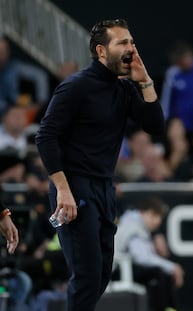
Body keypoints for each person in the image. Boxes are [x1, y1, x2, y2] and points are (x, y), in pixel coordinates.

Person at [35, 19, 165, 311]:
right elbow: (45, 136)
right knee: (87, 275)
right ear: (102, 52)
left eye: (131, 42)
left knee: (103, 273)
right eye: (123, 43)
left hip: (104, 188)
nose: (131, 48)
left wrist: (144, 81)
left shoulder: (124, 89)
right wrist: (62, 190)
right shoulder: (76, 86)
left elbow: (155, 125)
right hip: (74, 186)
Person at [114, 196, 184, 311]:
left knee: (161, 274)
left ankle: (170, 309)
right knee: (157, 274)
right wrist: (172, 267)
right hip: (116, 270)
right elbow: (141, 258)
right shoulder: (132, 226)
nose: (158, 221)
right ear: (145, 213)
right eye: (154, 215)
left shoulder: (137, 225)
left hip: (126, 267)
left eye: (159, 217)